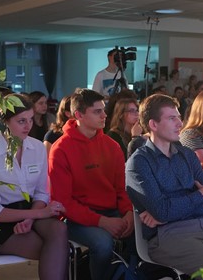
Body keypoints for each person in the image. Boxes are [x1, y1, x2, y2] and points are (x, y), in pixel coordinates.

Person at [125, 94, 203, 276]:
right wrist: (200, 194)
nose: (180, 123)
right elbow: (163, 210)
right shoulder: (139, 163)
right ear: (153, 124)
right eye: (172, 118)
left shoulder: (186, 154)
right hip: (168, 236)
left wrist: (168, 213)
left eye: (179, 117)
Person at [0, 94, 68, 280]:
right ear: (4, 122)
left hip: (30, 212)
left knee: (59, 230)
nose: (28, 126)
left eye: (31, 119)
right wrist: (38, 214)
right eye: (21, 121)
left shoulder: (37, 148)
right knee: (55, 250)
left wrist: (31, 218)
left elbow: (41, 193)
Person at [49, 89, 134, 280]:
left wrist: (129, 213)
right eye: (97, 111)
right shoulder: (61, 149)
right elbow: (64, 203)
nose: (104, 115)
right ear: (78, 115)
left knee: (143, 234)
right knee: (103, 243)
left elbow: (122, 188)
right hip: (75, 218)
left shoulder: (111, 145)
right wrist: (102, 222)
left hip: (112, 211)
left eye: (103, 110)